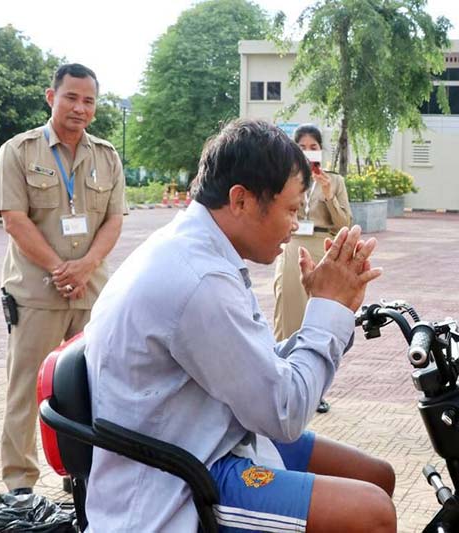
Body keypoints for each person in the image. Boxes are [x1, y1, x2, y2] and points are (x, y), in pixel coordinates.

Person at [83, 119, 396, 532]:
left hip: (210, 435)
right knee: (372, 512)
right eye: (290, 209)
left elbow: (259, 366)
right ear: (241, 200)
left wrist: (328, 313)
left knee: (376, 475)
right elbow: (284, 413)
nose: (294, 225)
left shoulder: (199, 249)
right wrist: (328, 310)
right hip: (185, 476)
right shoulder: (201, 279)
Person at [0, 63, 125, 494]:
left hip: (90, 294)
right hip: (36, 295)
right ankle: (20, 485)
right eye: (71, 97)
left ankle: (83, 477)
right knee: (26, 390)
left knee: (92, 389)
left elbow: (114, 220)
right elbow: (14, 219)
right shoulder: (19, 151)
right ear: (51, 97)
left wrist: (85, 267)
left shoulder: (106, 156)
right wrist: (58, 268)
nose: (80, 108)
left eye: (88, 101)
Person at [273, 124, 352, 414]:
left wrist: (328, 194)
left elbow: (344, 224)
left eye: (313, 147)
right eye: (302, 147)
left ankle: (315, 391)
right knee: (289, 314)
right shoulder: (284, 179)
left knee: (320, 318)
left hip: (323, 247)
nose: (308, 152)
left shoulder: (335, 181)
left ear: (321, 149)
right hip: (293, 244)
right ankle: (281, 385)